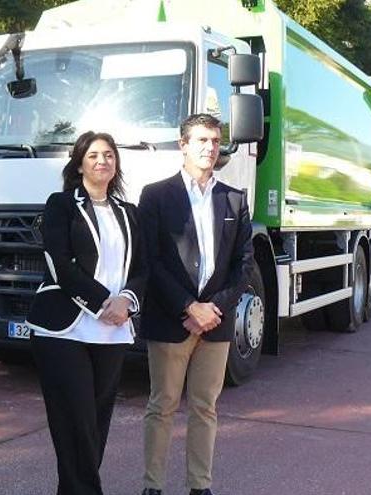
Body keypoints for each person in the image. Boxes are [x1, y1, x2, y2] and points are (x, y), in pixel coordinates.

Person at [25, 131, 148, 494]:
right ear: (79, 164)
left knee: (95, 425)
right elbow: (59, 263)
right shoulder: (61, 205)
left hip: (112, 331)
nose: (102, 161)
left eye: (109, 155)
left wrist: (125, 301)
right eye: (93, 155)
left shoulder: (130, 213)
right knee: (74, 423)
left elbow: (142, 268)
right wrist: (101, 303)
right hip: (64, 330)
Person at [137, 114, 254, 495]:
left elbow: (243, 263)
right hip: (173, 319)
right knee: (163, 405)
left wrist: (212, 309)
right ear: (182, 144)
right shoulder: (155, 195)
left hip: (215, 323)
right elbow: (149, 260)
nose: (210, 148)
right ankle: (153, 486)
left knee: (205, 407)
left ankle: (199, 486)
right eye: (202, 140)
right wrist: (188, 307)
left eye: (216, 141)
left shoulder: (234, 198)